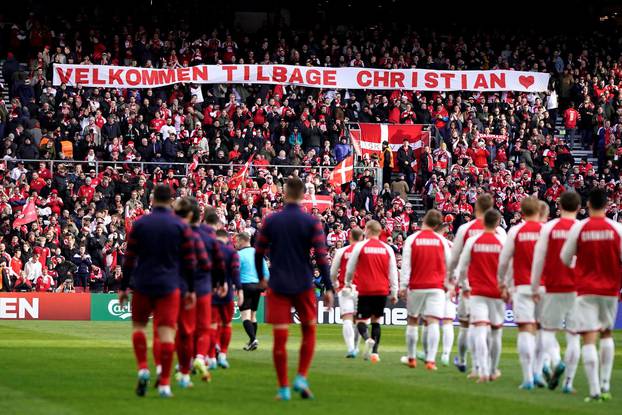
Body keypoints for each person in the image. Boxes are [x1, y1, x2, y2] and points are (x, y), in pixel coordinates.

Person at [254, 176, 334, 401]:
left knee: (280, 338)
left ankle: (284, 388)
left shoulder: (271, 221)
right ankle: (301, 376)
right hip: (303, 283)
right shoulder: (312, 222)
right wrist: (328, 287)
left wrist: (262, 277)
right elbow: (321, 256)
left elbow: (258, 251)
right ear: (303, 195)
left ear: (285, 193)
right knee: (309, 331)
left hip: (278, 284)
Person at [119, 184, 197, 398]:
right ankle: (164, 384)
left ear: (152, 200)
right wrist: (190, 289)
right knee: (166, 334)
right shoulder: (180, 226)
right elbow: (189, 262)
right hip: (169, 286)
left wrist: (124, 286)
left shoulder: (140, 224)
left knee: (139, 328)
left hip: (143, 283)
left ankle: (143, 367)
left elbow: (129, 258)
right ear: (171, 201)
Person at [560, 188, 622, 402]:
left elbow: (565, 257)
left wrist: (580, 266)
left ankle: (594, 390)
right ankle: (605, 385)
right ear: (607, 206)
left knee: (588, 338)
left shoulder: (580, 228)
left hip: (585, 290)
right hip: (610, 291)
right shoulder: (617, 229)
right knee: (606, 334)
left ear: (587, 206)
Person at [446, 194, 505, 374]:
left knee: (468, 325)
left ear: (475, 207)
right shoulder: (501, 232)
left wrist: (453, 281)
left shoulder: (465, 229)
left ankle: (467, 361)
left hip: (470, 285)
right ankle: (491, 368)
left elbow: (454, 258)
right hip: (495, 285)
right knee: (493, 329)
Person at [530, 191, 581, 394]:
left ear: (558, 206)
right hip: (577, 289)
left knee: (547, 331)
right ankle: (568, 383)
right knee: (574, 336)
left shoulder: (549, 228)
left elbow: (539, 259)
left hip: (552, 287)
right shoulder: (581, 228)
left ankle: (553, 362)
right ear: (578, 208)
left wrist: (534, 286)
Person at [497, 197, 545, 390]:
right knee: (542, 330)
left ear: (522, 212)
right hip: (544, 286)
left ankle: (528, 378)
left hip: (522, 285)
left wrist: (504, 284)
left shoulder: (516, 231)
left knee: (525, 330)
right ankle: (539, 372)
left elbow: (505, 261)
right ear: (539, 211)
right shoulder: (547, 231)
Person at [399, 210, 451, 370]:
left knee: (413, 320)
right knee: (433, 321)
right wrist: (450, 284)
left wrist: (403, 286)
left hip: (417, 285)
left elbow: (406, 265)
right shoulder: (442, 241)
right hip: (436, 287)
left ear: (424, 221)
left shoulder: (412, 239)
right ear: (437, 225)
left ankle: (412, 357)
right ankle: (430, 360)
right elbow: (450, 264)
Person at [172, 197, 213, 389]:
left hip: (178, 288)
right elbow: (211, 262)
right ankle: (199, 357)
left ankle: (183, 370)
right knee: (203, 328)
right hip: (203, 288)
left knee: (182, 331)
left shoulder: (174, 234)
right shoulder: (206, 235)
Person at [345, 220, 398, 363]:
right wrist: (394, 292)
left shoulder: (360, 246)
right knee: (376, 321)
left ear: (367, 230)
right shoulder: (387, 248)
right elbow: (393, 271)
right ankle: (375, 353)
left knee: (361, 320)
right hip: (381, 290)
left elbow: (350, 268)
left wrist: (348, 283)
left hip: (365, 289)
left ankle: (368, 339)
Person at [329, 227, 364, 358]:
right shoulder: (364, 251)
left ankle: (351, 349)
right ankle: (355, 347)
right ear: (361, 238)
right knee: (359, 319)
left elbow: (333, 272)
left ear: (349, 237)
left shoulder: (341, 251)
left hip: (345, 288)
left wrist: (335, 284)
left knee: (347, 319)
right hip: (361, 289)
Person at [210, 229, 241, 369]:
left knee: (212, 324)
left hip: (211, 290)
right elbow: (235, 271)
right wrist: (239, 289)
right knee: (226, 324)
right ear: (227, 238)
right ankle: (222, 354)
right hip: (227, 291)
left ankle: (211, 354)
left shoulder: (209, 249)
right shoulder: (231, 252)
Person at [236, 231, 269, 351]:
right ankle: (252, 341)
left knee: (245, 316)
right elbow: (266, 273)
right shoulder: (258, 253)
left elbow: (236, 272)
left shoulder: (239, 255)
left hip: (245, 285)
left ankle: (253, 339)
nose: (236, 244)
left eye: (237, 241)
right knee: (253, 316)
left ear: (242, 241)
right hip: (257, 286)